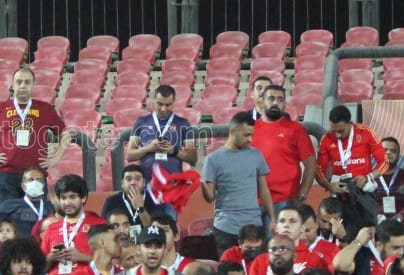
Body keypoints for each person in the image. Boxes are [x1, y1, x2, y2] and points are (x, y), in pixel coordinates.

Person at [0, 65, 69, 201]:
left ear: (32, 85)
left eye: (27, 82)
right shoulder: (1, 108)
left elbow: (65, 135)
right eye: (19, 82)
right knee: (9, 214)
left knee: (36, 213)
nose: (23, 85)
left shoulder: (45, 109)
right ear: (12, 84)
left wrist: (55, 158)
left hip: (35, 175)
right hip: (7, 175)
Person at [202, 112, 274, 251]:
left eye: (251, 135)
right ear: (233, 131)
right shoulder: (212, 159)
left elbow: (264, 190)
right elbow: (210, 197)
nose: (250, 139)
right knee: (228, 265)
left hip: (253, 226)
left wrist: (273, 219)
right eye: (246, 135)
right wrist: (202, 184)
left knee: (255, 265)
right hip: (226, 228)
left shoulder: (256, 155)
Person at [316, 105, 389, 230]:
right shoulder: (326, 139)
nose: (337, 135)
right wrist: (328, 185)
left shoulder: (366, 133)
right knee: (339, 232)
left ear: (350, 123)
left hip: (363, 192)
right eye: (333, 130)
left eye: (341, 131)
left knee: (367, 231)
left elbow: (384, 162)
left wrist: (368, 177)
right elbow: (318, 170)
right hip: (339, 194)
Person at [251, 84, 316, 211]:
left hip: (285, 201)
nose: (276, 103)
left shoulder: (296, 129)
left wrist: (302, 193)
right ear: (262, 102)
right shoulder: (250, 129)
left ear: (285, 105)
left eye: (280, 100)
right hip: (253, 201)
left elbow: (311, 164)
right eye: (271, 99)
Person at [126, 84, 198, 180]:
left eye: (168, 105)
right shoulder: (141, 122)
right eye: (159, 104)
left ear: (174, 102)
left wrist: (174, 151)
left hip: (173, 181)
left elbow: (193, 159)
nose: (163, 109)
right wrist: (148, 148)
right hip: (148, 180)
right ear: (153, 101)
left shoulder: (183, 123)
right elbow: (129, 155)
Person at [0, 166, 55, 238]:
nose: (35, 183)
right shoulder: (7, 206)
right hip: (18, 243)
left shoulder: (52, 207)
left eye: (39, 180)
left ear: (43, 186)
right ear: (23, 186)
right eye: (31, 179)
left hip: (45, 243)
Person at [373, 137, 404, 221]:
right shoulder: (368, 179)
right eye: (384, 150)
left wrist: (401, 216)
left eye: (393, 151)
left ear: (398, 156)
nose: (388, 153)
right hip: (375, 223)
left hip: (402, 224)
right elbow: (362, 205)